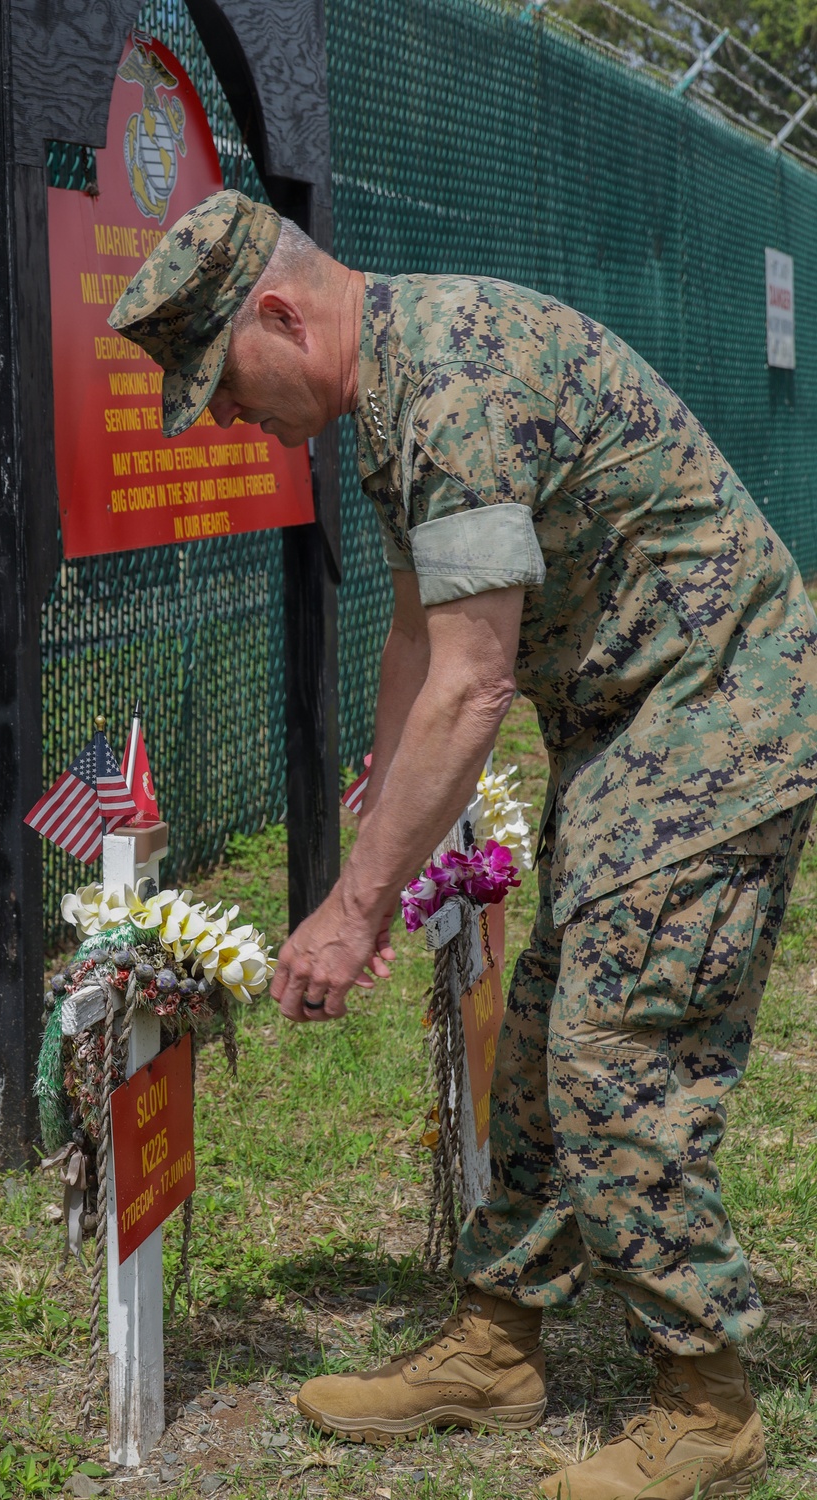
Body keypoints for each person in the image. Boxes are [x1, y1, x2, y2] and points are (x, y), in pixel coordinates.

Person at [110, 189, 817, 1499]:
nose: (223, 414)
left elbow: (474, 685)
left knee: (618, 1058)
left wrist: (356, 906)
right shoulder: (397, 390)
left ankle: (710, 1407)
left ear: (281, 313)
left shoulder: (452, 387)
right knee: (547, 1036)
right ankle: (498, 1347)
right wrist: (390, 809)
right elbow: (421, 640)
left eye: (220, 380)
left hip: (719, 715)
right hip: (639, 724)